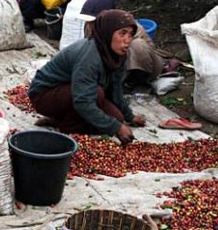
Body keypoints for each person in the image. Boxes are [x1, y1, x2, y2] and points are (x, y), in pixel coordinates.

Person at [27, 9, 144, 141]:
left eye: (130, 35)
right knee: (97, 95)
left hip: (76, 90)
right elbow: (83, 101)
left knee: (118, 118)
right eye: (122, 34)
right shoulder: (90, 56)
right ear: (108, 32)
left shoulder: (118, 56)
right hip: (44, 95)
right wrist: (116, 127)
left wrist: (129, 116)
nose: (127, 41)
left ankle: (59, 120)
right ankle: (67, 127)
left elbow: (115, 90)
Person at [78, 0, 175, 88]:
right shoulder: (90, 27)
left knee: (137, 45)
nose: (91, 24)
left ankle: (140, 83)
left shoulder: (128, 27)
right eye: (89, 21)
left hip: (145, 66)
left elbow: (125, 55)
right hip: (115, 66)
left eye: (94, 21)